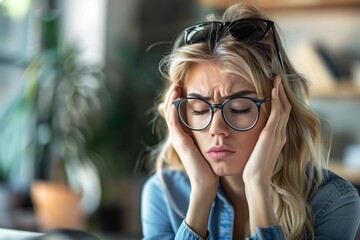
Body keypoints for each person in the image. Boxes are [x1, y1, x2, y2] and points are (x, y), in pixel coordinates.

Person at [141, 3, 360, 240]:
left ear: (280, 109)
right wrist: (201, 193)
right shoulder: (164, 194)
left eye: (239, 108)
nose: (217, 129)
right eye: (200, 109)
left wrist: (257, 185)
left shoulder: (333, 201)